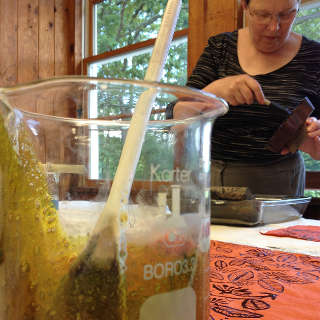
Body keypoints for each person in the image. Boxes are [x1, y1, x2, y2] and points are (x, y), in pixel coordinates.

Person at [166, 0, 320, 196]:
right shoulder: (220, 48)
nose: (274, 27)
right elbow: (176, 118)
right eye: (263, 15)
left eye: (287, 14)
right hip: (209, 177)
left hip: (280, 184)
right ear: (245, 7)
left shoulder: (315, 57)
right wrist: (214, 92)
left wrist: (315, 142)